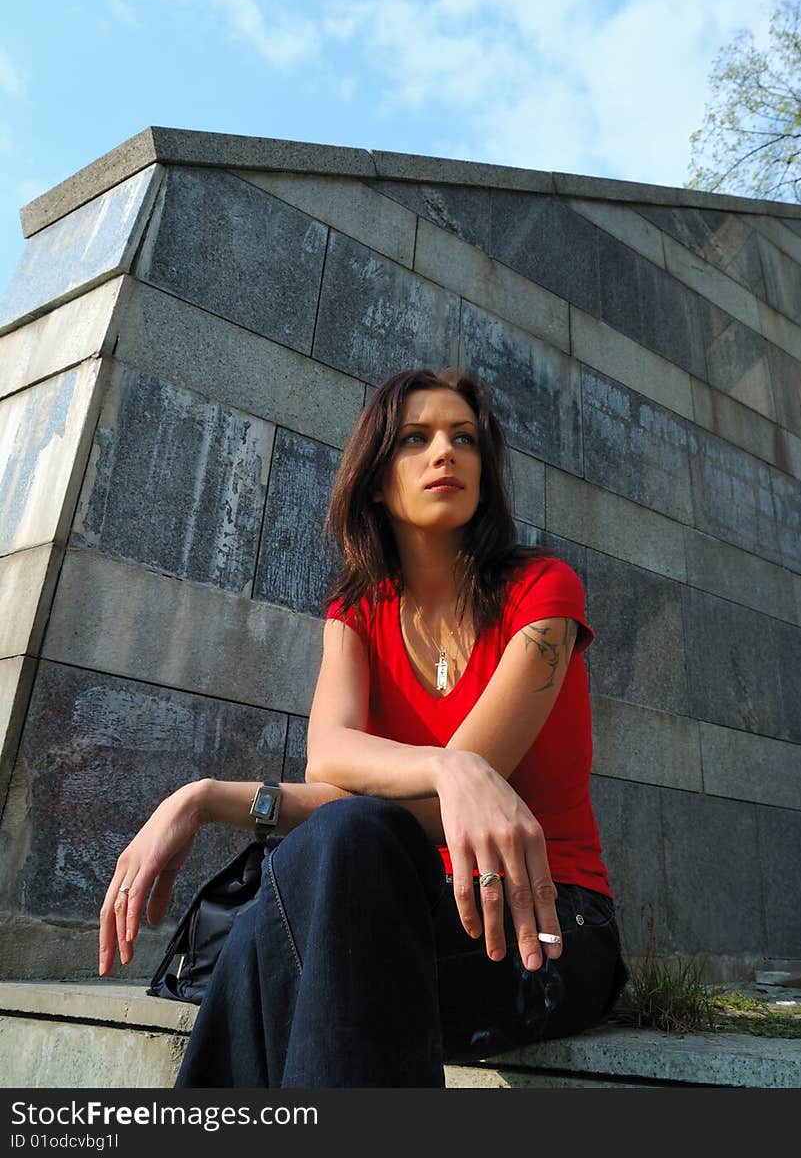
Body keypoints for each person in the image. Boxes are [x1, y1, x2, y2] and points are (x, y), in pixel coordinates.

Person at [98, 366, 627, 1087]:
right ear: (377, 478)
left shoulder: (544, 593)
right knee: (335, 858)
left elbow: (427, 809)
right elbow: (332, 758)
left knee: (310, 886)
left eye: (463, 438)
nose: (446, 452)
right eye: (417, 438)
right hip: (389, 908)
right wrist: (197, 797)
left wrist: (448, 773)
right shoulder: (357, 613)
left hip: (546, 926)